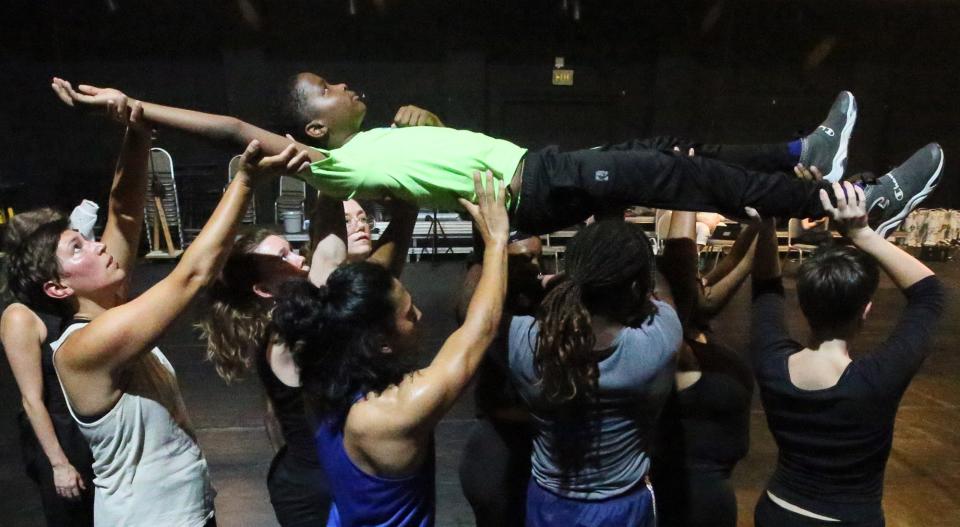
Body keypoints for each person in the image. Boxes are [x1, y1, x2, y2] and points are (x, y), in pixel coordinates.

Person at [50, 78, 940, 239]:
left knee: (663, 151)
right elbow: (235, 129)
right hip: (533, 184)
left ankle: (802, 153)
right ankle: (840, 201)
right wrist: (135, 108)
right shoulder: (329, 165)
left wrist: (425, 120)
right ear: (311, 132)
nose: (345, 83)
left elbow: (432, 149)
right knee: (675, 176)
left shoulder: (379, 138)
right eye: (328, 86)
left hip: (538, 163)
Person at [5, 94, 310, 525]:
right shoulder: (84, 347)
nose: (96, 244)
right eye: (79, 247)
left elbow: (124, 214)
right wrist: (243, 181)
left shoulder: (109, 312)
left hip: (186, 510)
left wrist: (137, 132)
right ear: (56, 287)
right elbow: (190, 277)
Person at [272, 171, 509, 526]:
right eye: (409, 313)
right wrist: (496, 242)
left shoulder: (321, 366)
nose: (421, 314)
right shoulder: (394, 413)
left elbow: (353, 280)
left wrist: (401, 202)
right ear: (381, 343)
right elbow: (479, 330)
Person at [198, 197, 415, 527]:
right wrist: (327, 176)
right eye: (283, 258)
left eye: (292, 249)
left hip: (324, 477)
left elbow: (376, 279)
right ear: (264, 289)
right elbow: (332, 255)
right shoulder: (287, 333)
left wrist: (405, 210)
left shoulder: (304, 319)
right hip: (314, 493)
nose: (299, 259)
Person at [750, 179, 945, 526]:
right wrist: (862, 234)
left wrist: (767, 222)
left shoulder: (772, 362)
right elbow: (929, 293)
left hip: (778, 509)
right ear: (866, 310)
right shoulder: (876, 380)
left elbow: (766, 289)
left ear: (805, 306)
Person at [508, 220, 681, 526]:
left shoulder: (525, 341)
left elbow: (472, 313)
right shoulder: (657, 344)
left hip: (549, 505)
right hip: (621, 508)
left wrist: (493, 245)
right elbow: (665, 296)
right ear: (636, 285)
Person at [651, 209, 757, 527]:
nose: (702, 277)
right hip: (688, 499)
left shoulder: (698, 323)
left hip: (715, 494)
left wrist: (763, 220)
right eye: (692, 276)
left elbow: (741, 260)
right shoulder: (672, 343)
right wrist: (687, 188)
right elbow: (681, 259)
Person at [2, 211, 94, 527]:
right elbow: (31, 400)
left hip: (85, 427)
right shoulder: (20, 315)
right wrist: (59, 464)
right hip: (60, 435)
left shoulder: (60, 300)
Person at [456, 233, 546, 527]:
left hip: (540, 437)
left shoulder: (546, 298)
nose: (534, 265)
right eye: (522, 259)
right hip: (500, 436)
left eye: (537, 256)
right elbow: (469, 310)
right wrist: (486, 250)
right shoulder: (490, 312)